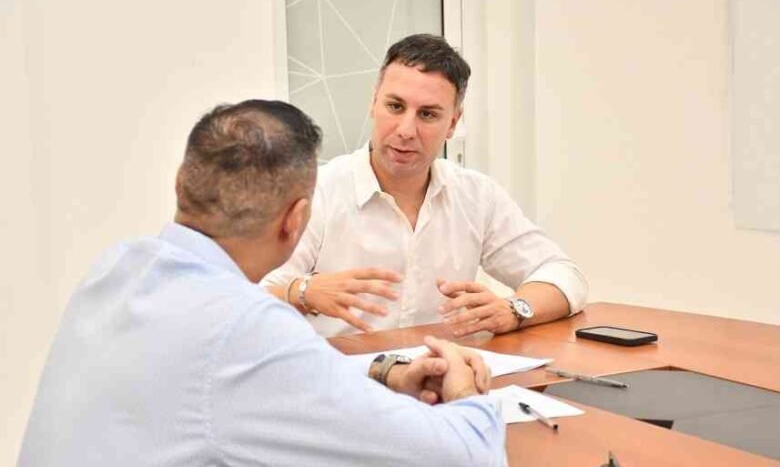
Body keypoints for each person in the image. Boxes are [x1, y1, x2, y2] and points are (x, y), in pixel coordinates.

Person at [18, 100, 505, 466]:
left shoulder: (119, 266)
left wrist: (384, 373)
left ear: (180, 183)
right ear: (295, 220)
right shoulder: (241, 325)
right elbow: (465, 454)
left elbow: (250, 374)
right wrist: (467, 394)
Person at [263, 34, 588, 338]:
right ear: (373, 103)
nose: (406, 130)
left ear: (453, 123)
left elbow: (563, 274)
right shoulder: (317, 191)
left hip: (444, 371)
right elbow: (251, 295)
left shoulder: (476, 196)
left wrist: (514, 309)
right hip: (341, 373)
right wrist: (304, 292)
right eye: (395, 107)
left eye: (428, 115)